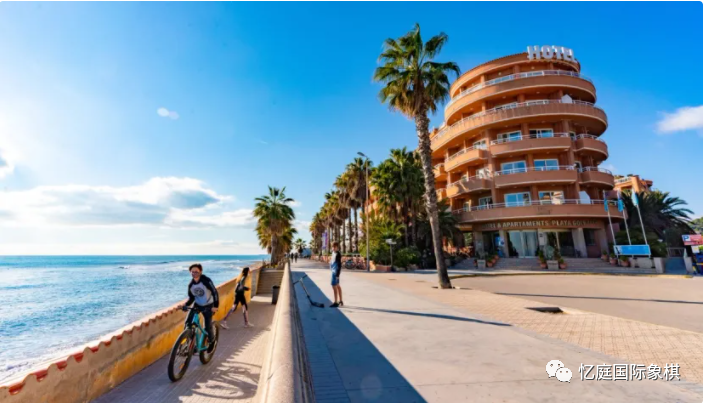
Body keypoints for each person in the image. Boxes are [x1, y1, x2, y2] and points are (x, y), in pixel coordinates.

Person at [179, 263, 219, 352]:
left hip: (209, 305)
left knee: (207, 327)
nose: (194, 273)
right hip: (197, 304)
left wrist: (216, 306)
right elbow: (191, 298)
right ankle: (189, 343)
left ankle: (212, 341)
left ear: (200, 272)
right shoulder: (191, 285)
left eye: (196, 272)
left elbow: (214, 292)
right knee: (188, 323)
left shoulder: (206, 280)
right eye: (192, 272)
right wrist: (185, 305)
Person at [330, 242, 343, 307]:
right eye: (333, 247)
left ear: (337, 247)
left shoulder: (338, 254)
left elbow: (339, 265)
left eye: (335, 247)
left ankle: (335, 302)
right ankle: (340, 300)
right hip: (333, 271)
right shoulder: (333, 253)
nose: (333, 248)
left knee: (334, 286)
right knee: (337, 285)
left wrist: (337, 275)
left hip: (335, 272)